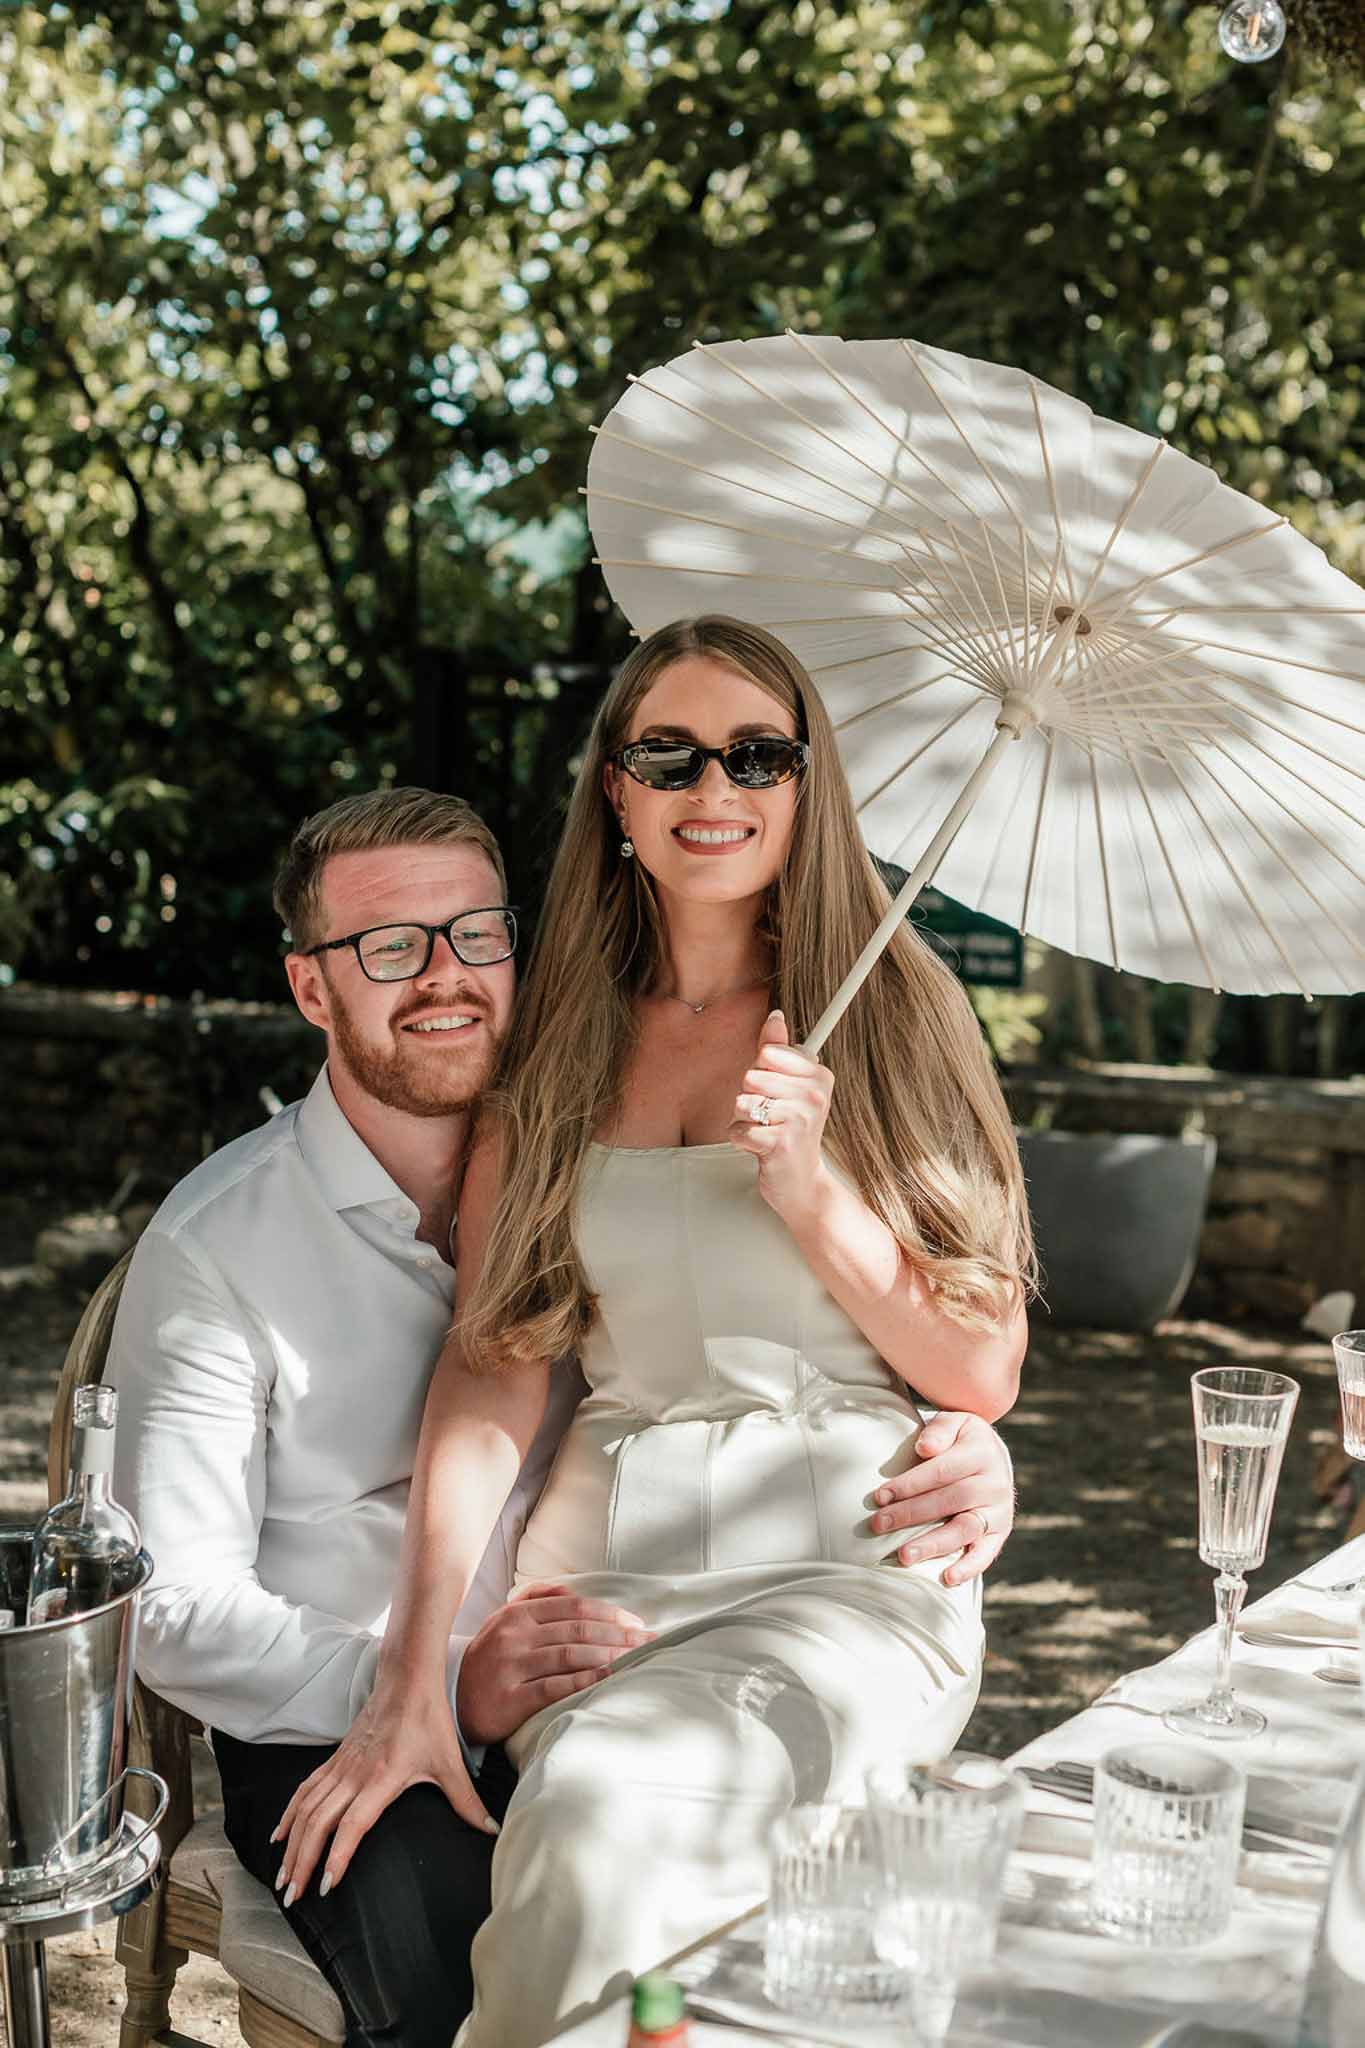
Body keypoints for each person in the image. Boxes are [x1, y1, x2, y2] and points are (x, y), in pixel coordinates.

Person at [106, 783, 1020, 2048]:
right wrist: (427, 1681)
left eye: (475, 933)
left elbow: (752, 1345)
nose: (444, 976)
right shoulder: (219, 1249)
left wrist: (961, 1441)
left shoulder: (592, 1160)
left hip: (631, 1661)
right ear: (312, 988)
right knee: (479, 1992)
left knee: (766, 1946)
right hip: (348, 1711)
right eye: (387, 947)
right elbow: (167, 1607)